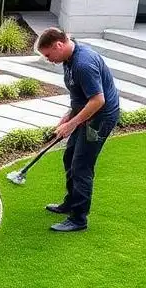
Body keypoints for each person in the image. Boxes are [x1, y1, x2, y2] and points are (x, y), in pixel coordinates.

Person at [35, 27, 121, 233]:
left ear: (58, 45)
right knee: (70, 156)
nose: (48, 59)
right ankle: (70, 202)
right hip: (87, 113)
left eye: (48, 55)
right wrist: (67, 117)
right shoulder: (68, 59)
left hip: (99, 119)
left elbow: (97, 100)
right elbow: (80, 97)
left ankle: (79, 218)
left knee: (82, 165)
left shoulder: (83, 63)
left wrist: (71, 125)